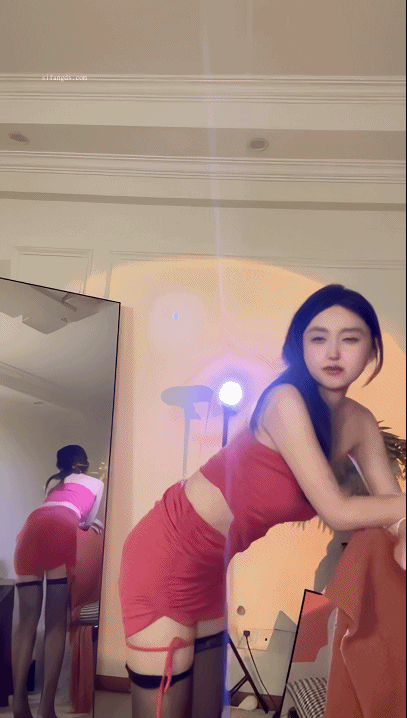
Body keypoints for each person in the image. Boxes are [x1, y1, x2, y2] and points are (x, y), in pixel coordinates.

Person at [118, 284, 406, 718]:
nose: (333, 352)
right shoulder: (285, 401)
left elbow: (392, 506)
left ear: (371, 351)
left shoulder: (359, 424)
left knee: (207, 710)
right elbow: (337, 509)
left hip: (210, 569)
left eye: (350, 338)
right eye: (318, 337)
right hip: (163, 555)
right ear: (299, 347)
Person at [12, 445, 104, 718]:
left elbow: (51, 510)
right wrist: (93, 523)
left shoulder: (53, 484)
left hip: (30, 529)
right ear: (85, 463)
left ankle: (19, 704)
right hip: (60, 528)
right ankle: (46, 708)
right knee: (55, 622)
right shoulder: (96, 483)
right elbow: (85, 521)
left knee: (26, 624)